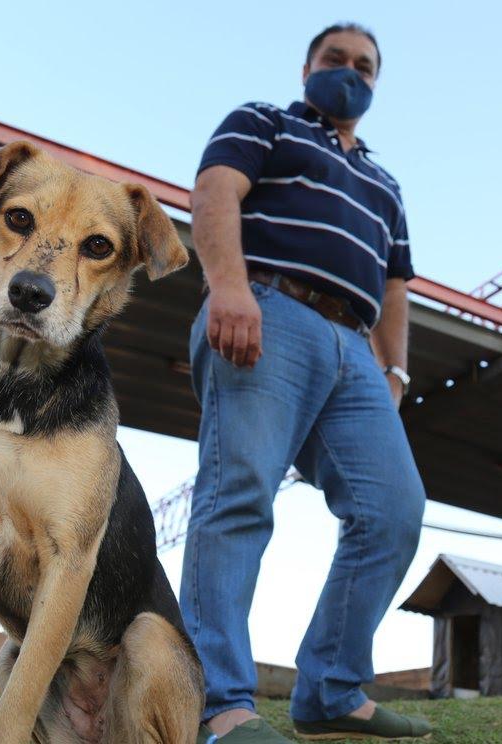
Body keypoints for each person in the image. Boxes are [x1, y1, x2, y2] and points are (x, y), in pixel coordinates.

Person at [183, 22, 432, 743]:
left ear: (375, 84)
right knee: (239, 492)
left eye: (364, 67)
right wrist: (229, 287)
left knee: (393, 510)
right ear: (307, 67)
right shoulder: (265, 121)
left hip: (355, 348)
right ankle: (217, 707)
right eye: (336, 60)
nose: (349, 73)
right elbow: (215, 191)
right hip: (269, 306)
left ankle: (329, 689)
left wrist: (394, 369)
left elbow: (394, 285)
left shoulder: (386, 184)